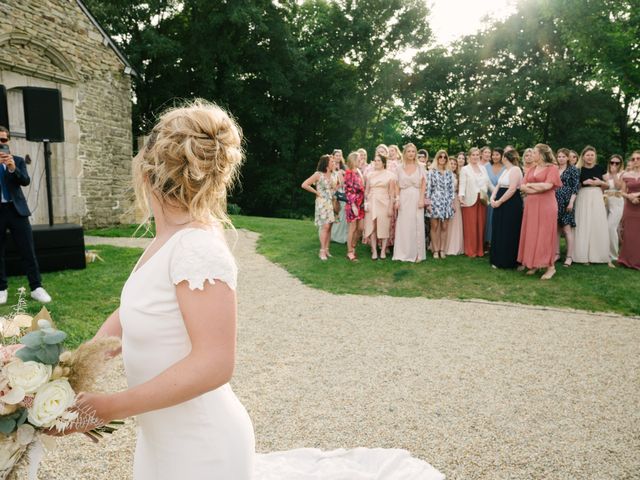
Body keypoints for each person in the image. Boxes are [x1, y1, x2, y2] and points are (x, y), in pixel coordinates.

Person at [0, 126, 51, 304]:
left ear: (8, 141)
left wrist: (12, 168)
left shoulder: (18, 161)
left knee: (27, 250)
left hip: (17, 211)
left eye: (3, 140)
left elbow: (25, 181)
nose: (1, 143)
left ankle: (36, 287)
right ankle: (1, 288)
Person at [517, 144, 562, 280]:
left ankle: (550, 267)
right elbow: (522, 186)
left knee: (545, 235)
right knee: (532, 234)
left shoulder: (552, 168)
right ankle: (535, 264)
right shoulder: (531, 169)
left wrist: (530, 186)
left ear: (541, 154)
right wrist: (533, 187)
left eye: (535, 152)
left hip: (546, 206)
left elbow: (547, 186)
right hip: (531, 206)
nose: (532, 154)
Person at [573, 146, 611, 265]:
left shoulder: (600, 168)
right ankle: (582, 255)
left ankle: (597, 254)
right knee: (583, 223)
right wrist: (583, 183)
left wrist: (600, 183)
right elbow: (574, 187)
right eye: (587, 155)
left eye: (592, 155)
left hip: (596, 196)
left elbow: (608, 185)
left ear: (595, 156)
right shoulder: (578, 169)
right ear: (583, 156)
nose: (590, 157)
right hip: (583, 196)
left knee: (596, 223)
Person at [489, 149, 523, 268]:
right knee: (499, 229)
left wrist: (500, 201)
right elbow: (498, 186)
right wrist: (492, 199)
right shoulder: (505, 170)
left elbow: (512, 188)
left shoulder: (516, 169)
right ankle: (497, 258)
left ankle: (507, 260)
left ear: (505, 158)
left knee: (508, 231)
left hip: (511, 203)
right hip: (500, 201)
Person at [393, 143, 427, 262]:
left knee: (416, 224)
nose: (411, 153)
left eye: (413, 151)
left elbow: (423, 184)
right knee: (404, 225)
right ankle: (402, 252)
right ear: (405, 153)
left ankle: (417, 253)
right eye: (409, 151)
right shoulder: (398, 167)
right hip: (403, 198)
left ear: (415, 153)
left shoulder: (421, 166)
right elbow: (396, 185)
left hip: (417, 197)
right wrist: (397, 199)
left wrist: (422, 199)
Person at [458, 147, 491, 257]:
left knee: (481, 225)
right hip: (469, 200)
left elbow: (488, 183)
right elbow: (462, 184)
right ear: (469, 156)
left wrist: (497, 191)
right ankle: (470, 250)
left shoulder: (483, 168)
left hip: (482, 199)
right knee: (470, 226)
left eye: (477, 155)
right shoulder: (465, 169)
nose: (475, 157)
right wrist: (461, 197)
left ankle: (479, 250)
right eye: (473, 155)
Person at [302, 154, 335, 261]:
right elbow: (305, 184)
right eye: (332, 162)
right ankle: (321, 250)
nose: (333, 163)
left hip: (330, 202)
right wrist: (317, 192)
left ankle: (327, 249)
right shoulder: (318, 174)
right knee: (325, 226)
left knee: (329, 226)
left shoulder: (333, 175)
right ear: (326, 163)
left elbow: (334, 188)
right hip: (321, 202)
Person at [363, 152, 395, 259]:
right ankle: (374, 251)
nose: (376, 162)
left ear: (383, 163)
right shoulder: (369, 175)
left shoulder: (390, 175)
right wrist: (366, 202)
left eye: (378, 161)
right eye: (375, 160)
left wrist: (390, 206)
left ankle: (383, 251)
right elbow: (366, 191)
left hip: (384, 202)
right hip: (372, 201)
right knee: (373, 226)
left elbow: (391, 193)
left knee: (384, 226)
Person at [426, 150, 455, 259]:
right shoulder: (431, 172)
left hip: (447, 201)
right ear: (437, 158)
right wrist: (428, 203)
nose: (442, 159)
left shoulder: (449, 173)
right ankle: (435, 250)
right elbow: (428, 188)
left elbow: (451, 189)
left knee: (444, 226)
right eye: (440, 157)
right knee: (434, 226)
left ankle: (442, 250)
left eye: (444, 157)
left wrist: (452, 202)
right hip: (435, 200)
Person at [555, 148, 580, 267]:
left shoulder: (573, 170)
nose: (561, 159)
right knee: (556, 230)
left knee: (566, 229)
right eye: (559, 156)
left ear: (567, 158)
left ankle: (569, 257)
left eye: (563, 157)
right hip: (554, 202)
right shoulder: (554, 169)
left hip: (566, 202)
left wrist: (571, 203)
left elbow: (575, 188)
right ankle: (557, 253)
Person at [618, 150, 640, 269]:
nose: (635, 161)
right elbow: (622, 192)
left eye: (638, 158)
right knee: (629, 234)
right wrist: (630, 197)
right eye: (633, 159)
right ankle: (627, 260)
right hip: (630, 207)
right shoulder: (626, 175)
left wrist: (637, 195)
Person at [344, 152, 365, 261]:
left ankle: (353, 246)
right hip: (352, 204)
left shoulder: (359, 172)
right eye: (359, 159)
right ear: (353, 160)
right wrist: (353, 205)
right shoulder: (349, 173)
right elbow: (348, 191)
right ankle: (349, 252)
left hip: (360, 204)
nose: (361, 161)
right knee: (352, 228)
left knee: (361, 228)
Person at [604, 154, 624, 261]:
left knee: (611, 227)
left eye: (617, 163)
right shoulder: (605, 175)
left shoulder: (622, 174)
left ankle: (614, 255)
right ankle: (604, 252)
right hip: (606, 201)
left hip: (617, 202)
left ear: (621, 164)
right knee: (604, 228)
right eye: (612, 162)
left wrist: (615, 174)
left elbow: (618, 187)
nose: (614, 164)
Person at [484, 147, 505, 248]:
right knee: (487, 219)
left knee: (498, 219)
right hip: (488, 197)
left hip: (501, 197)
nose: (494, 157)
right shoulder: (486, 166)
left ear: (501, 156)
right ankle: (487, 242)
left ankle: (496, 242)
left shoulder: (506, 167)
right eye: (493, 155)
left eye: (497, 155)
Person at [445, 154, 464, 256]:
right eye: (451, 163)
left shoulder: (457, 176)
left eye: (454, 164)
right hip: (446, 200)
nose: (453, 165)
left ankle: (455, 246)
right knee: (447, 223)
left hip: (455, 200)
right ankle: (445, 246)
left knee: (456, 222)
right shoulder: (444, 174)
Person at [330, 149, 348, 244]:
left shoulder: (344, 167)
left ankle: (340, 236)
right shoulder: (329, 166)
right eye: (336, 155)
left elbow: (345, 182)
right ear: (332, 156)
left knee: (342, 213)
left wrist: (342, 175)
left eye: (340, 155)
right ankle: (331, 235)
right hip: (332, 192)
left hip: (342, 193)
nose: (338, 157)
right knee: (333, 213)